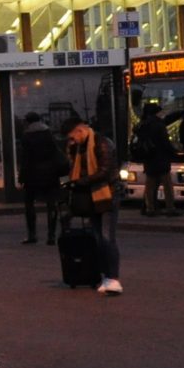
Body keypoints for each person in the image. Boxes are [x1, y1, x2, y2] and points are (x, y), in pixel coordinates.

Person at [65, 115, 123, 296]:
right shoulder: (79, 148)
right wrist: (72, 150)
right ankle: (105, 276)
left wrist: (82, 181)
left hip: (107, 195)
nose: (71, 140)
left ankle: (113, 278)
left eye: (72, 137)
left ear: (80, 130)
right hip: (91, 197)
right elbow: (73, 167)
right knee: (96, 237)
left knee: (107, 237)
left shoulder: (102, 143)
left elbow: (104, 171)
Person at [16, 112, 65, 245]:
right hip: (51, 174)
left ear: (28, 122)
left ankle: (32, 235)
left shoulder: (27, 136)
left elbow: (25, 159)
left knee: (29, 204)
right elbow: (56, 152)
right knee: (52, 204)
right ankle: (51, 236)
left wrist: (21, 177)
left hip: (32, 175)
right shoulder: (49, 134)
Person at [131, 98, 178, 216]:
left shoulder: (141, 125)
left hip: (148, 159)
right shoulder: (159, 124)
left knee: (150, 186)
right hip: (161, 158)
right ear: (156, 113)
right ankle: (170, 208)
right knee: (167, 184)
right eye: (159, 112)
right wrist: (174, 152)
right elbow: (165, 142)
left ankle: (150, 208)